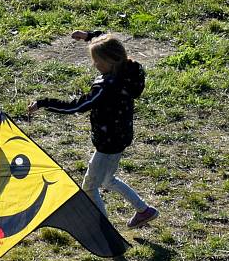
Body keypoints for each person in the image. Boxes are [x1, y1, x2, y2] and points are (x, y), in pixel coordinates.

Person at [28, 30, 158, 229]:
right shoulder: (130, 70)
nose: (94, 65)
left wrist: (44, 103)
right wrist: (89, 36)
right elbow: (110, 42)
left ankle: (104, 229)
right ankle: (144, 211)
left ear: (111, 62)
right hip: (121, 137)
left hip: (107, 143)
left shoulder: (106, 87)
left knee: (89, 187)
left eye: (97, 61)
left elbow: (76, 106)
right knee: (108, 180)